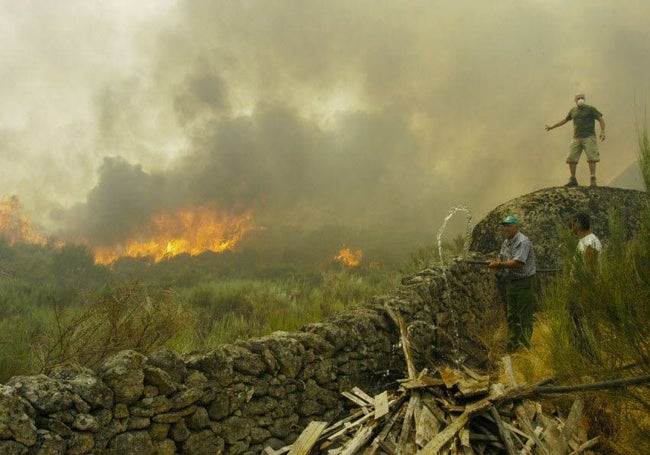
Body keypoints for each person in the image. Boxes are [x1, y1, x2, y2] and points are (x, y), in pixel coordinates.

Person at [487, 215, 537, 351]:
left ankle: (524, 346)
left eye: (509, 225)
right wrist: (496, 263)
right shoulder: (506, 243)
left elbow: (518, 262)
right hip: (512, 282)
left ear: (516, 227)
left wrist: (499, 264)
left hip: (524, 282)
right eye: (504, 225)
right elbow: (503, 259)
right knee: (512, 315)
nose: (506, 228)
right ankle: (512, 344)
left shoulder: (523, 241)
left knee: (524, 316)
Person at [545, 93, 606, 187]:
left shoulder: (591, 109)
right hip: (576, 137)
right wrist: (552, 127)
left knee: (592, 158)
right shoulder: (573, 111)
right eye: (578, 98)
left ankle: (593, 179)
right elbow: (565, 120)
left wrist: (602, 132)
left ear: (585, 99)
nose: (580, 99)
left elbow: (601, 119)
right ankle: (573, 179)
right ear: (575, 100)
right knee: (571, 158)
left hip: (589, 137)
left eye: (582, 98)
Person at [568, 212, 602, 359]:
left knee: (588, 322)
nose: (571, 227)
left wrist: (585, 291)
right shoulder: (583, 242)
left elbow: (591, 269)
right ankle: (582, 354)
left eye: (572, 223)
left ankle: (593, 355)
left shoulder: (591, 242)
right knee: (578, 323)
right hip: (578, 288)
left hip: (585, 289)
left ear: (578, 223)